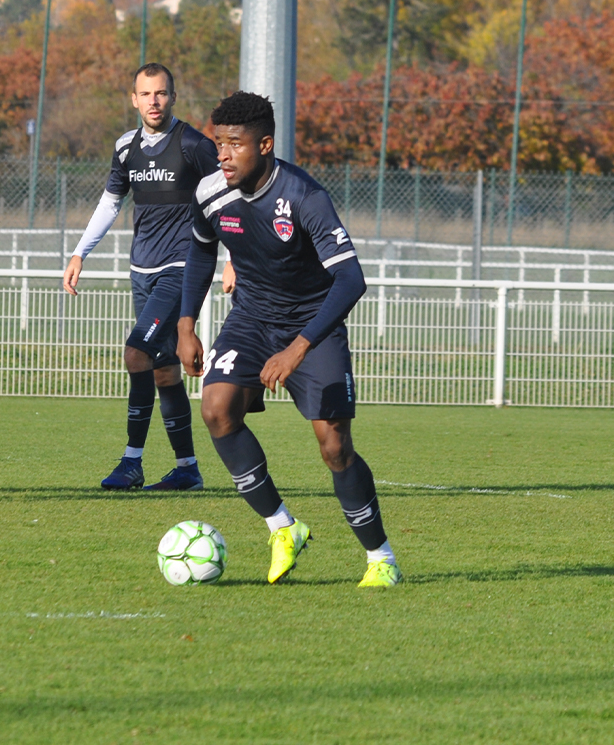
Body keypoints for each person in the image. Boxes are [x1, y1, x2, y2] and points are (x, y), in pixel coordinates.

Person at [177, 91, 400, 588]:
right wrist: (186, 324)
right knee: (215, 408)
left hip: (312, 325)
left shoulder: (303, 196)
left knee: (334, 446)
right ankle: (283, 527)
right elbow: (200, 254)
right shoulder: (211, 192)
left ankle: (381, 558)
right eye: (219, 144)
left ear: (265, 144)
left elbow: (351, 280)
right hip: (252, 318)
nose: (224, 156)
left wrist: (298, 348)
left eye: (235, 144)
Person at [63, 62, 223, 491]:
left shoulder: (193, 144)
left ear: (173, 97)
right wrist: (80, 252)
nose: (154, 101)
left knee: (136, 352)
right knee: (162, 370)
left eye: (161, 93)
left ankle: (131, 462)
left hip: (181, 268)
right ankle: (187, 469)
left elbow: (226, 199)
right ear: (134, 99)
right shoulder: (125, 148)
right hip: (142, 271)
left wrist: (236, 259)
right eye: (146, 94)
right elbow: (110, 204)